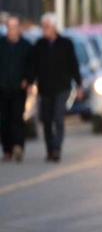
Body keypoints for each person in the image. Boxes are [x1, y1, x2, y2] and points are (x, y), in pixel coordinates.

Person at [31, 14, 84, 162]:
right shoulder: (39, 45)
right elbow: (33, 67)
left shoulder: (66, 44)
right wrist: (30, 82)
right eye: (43, 27)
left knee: (58, 118)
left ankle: (57, 148)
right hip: (45, 89)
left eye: (47, 27)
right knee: (47, 120)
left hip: (62, 88)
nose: (45, 30)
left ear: (54, 27)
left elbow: (74, 65)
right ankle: (49, 149)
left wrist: (79, 85)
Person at [0, 16, 34, 162]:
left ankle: (18, 146)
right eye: (9, 28)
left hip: (19, 90)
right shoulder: (1, 45)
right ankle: (7, 150)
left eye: (14, 28)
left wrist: (28, 80)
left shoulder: (26, 46)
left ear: (19, 29)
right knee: (3, 120)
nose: (12, 31)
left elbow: (32, 66)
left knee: (17, 118)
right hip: (2, 89)